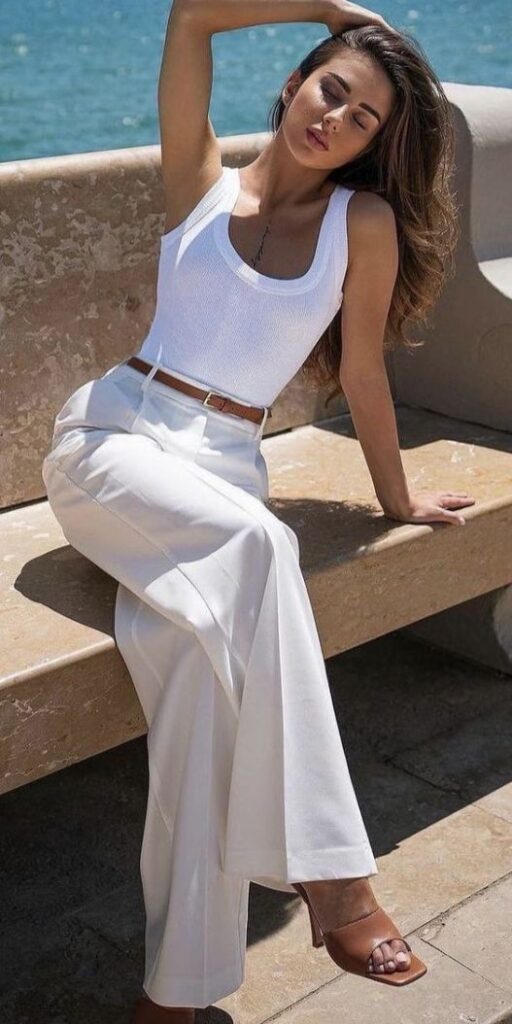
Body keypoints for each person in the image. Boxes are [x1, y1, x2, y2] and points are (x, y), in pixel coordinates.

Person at [41, 1, 476, 1021]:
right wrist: (326, 9)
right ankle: (333, 874)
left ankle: (174, 995)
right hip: (112, 439)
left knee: (199, 685)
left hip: (223, 471)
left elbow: (362, 372)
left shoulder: (357, 225)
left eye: (363, 118)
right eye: (330, 87)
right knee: (258, 544)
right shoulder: (199, 181)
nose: (336, 117)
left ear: (374, 143)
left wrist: (397, 493)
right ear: (292, 85)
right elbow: (191, 18)